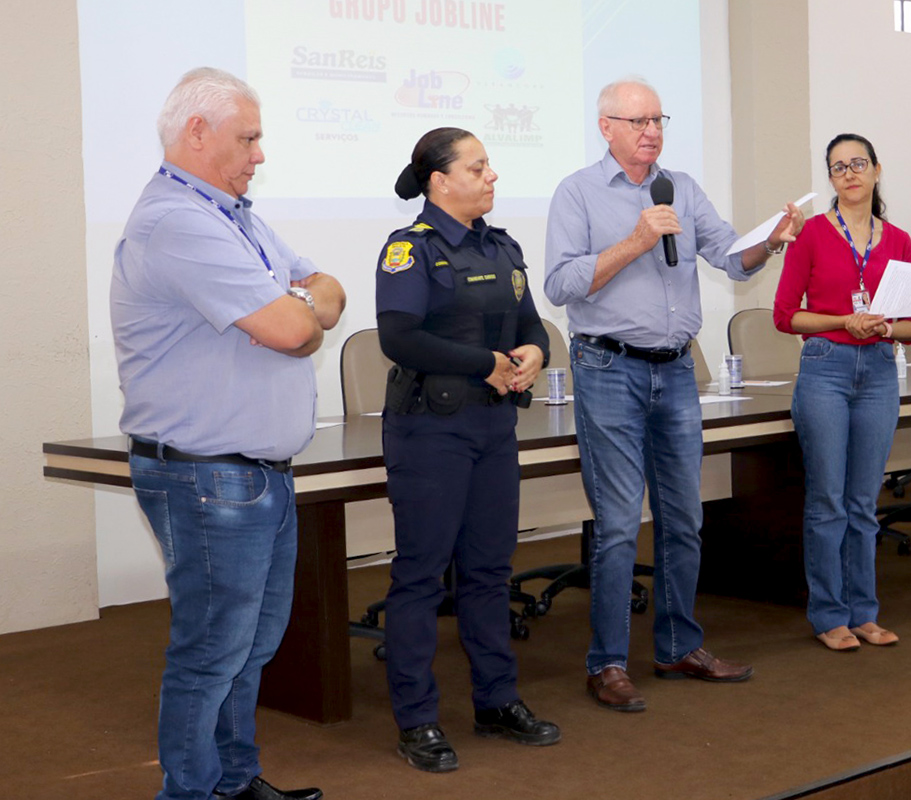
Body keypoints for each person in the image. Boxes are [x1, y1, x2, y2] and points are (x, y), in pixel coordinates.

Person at [111, 68, 345, 800]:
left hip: (255, 474)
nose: (260, 154)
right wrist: (296, 309)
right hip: (208, 477)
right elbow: (294, 327)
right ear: (197, 133)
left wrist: (299, 304)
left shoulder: (234, 214)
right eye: (248, 138)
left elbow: (325, 288)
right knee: (212, 651)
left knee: (249, 649)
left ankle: (235, 783)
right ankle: (189, 792)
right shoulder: (177, 222)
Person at [544, 77, 803, 711]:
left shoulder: (681, 188)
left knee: (684, 515)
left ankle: (677, 645)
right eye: (637, 121)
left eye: (658, 118)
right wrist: (634, 241)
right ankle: (606, 662)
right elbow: (559, 284)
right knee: (616, 525)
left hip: (677, 371)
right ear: (606, 127)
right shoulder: (576, 193)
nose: (652, 131)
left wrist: (768, 242)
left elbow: (729, 258)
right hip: (608, 369)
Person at [376, 127, 560, 772]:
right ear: (439, 181)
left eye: (490, 166)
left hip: (491, 427)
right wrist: (484, 363)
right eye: (478, 167)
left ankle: (497, 701)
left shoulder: (501, 245)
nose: (492, 176)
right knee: (422, 575)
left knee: (488, 570)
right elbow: (398, 338)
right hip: (430, 429)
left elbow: (531, 322)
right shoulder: (410, 248)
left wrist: (536, 350)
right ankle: (418, 719)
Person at [773, 133, 911, 653]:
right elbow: (785, 315)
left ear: (877, 171)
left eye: (858, 164)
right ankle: (828, 615)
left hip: (880, 370)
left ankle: (865, 612)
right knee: (828, 500)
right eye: (838, 168)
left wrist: (884, 329)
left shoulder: (899, 240)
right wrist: (845, 320)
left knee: (863, 502)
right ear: (831, 179)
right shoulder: (813, 233)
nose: (849, 174)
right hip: (825, 369)